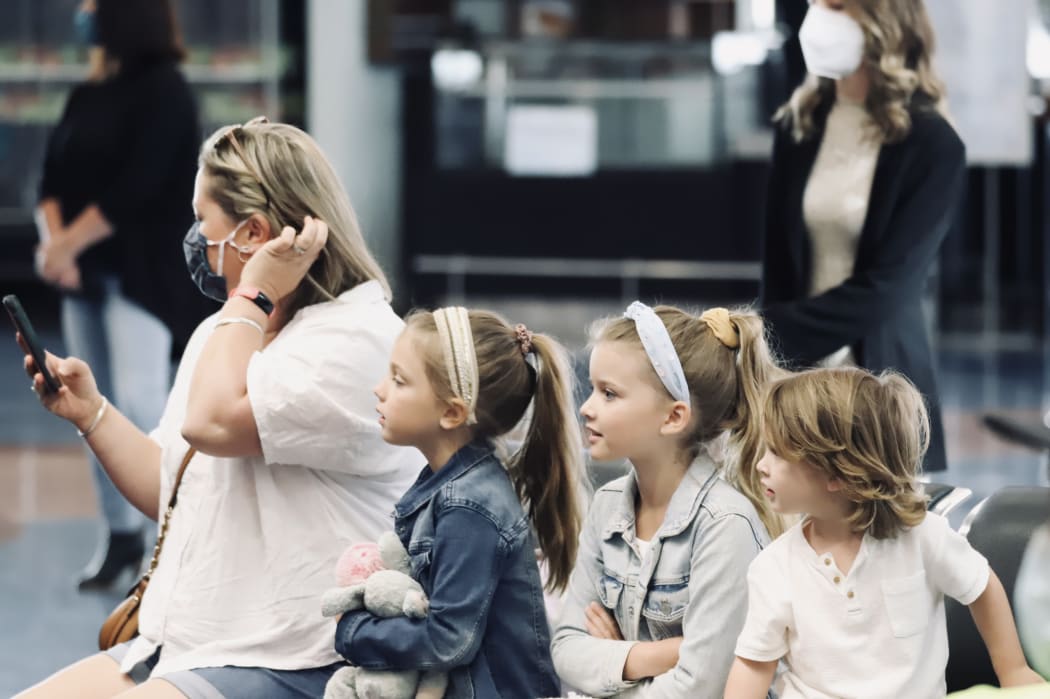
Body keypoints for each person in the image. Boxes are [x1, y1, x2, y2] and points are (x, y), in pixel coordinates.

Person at [16, 118, 423, 699]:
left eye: (203, 220)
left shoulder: (354, 341)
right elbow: (174, 491)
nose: (195, 239)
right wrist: (92, 413)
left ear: (254, 233)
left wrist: (253, 294)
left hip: (296, 658)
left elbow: (210, 423)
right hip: (178, 648)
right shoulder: (226, 333)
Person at [724, 367, 1046, 698]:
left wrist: (1013, 669)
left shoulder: (923, 538)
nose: (761, 465)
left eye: (776, 453)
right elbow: (753, 665)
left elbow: (981, 586)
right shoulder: (772, 568)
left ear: (837, 475)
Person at [34, 0, 211, 589]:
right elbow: (50, 177)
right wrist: (54, 242)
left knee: (140, 405)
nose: (83, 12)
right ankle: (120, 536)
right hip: (83, 277)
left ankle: (169, 537)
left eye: (92, 5)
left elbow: (141, 186)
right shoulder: (88, 93)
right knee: (88, 405)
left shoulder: (166, 92)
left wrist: (67, 245)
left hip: (142, 277)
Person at [334, 307, 584, 698]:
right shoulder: (454, 487)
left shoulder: (468, 505)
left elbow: (448, 639)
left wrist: (353, 631)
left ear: (451, 412)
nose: (379, 389)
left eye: (399, 381)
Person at [759, 0, 966, 472]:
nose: (819, 17)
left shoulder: (933, 145)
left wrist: (763, 335)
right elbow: (778, 269)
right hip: (798, 382)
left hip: (881, 389)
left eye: (836, 5)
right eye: (816, 4)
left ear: (882, 19)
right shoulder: (799, 126)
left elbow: (888, 289)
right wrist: (766, 363)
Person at [551, 302, 783, 698]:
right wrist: (658, 654)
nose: (587, 409)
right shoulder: (608, 506)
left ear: (674, 417)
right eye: (592, 390)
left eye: (609, 393)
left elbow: (699, 688)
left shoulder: (726, 524)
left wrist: (612, 657)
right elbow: (566, 650)